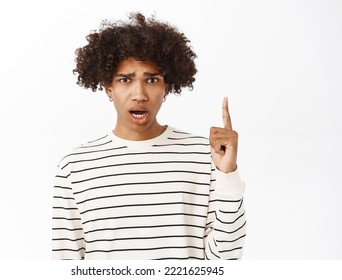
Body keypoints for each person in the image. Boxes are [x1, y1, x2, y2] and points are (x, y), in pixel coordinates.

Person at [52, 12, 246, 260]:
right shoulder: (75, 167)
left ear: (167, 87)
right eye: (125, 80)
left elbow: (226, 260)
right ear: (108, 88)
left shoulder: (205, 156)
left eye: (152, 79)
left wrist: (228, 176)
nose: (139, 94)